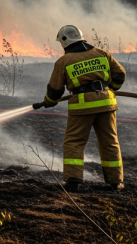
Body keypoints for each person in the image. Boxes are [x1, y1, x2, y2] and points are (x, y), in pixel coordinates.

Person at [35, 25, 126, 192]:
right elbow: (120, 74)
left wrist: (49, 101)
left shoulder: (64, 61)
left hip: (82, 106)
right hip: (106, 103)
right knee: (110, 142)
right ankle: (116, 182)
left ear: (64, 41)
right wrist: (112, 88)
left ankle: (73, 181)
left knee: (74, 142)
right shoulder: (101, 53)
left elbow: (55, 90)